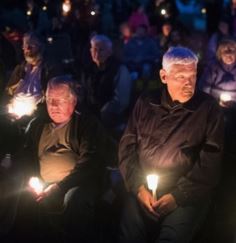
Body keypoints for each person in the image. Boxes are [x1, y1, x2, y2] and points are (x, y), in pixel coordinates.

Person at [118, 47, 224, 243]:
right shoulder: (146, 102)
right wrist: (138, 187)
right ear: (163, 76)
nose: (188, 82)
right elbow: (127, 146)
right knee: (129, 236)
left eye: (192, 75)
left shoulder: (207, 109)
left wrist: (178, 195)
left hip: (187, 193)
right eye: (180, 76)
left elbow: (211, 160)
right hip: (142, 189)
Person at [15, 75, 117, 243]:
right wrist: (31, 178)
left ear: (74, 101)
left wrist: (60, 187)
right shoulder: (37, 125)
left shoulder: (86, 124)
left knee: (75, 201)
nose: (53, 106)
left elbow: (90, 163)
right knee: (19, 196)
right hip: (43, 183)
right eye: (49, 100)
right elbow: (25, 156)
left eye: (60, 100)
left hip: (76, 183)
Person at [80, 34, 132, 135]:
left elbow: (121, 100)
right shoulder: (88, 69)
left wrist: (103, 112)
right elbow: (84, 91)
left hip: (110, 116)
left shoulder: (119, 69)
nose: (97, 53)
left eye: (101, 50)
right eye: (94, 49)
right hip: (91, 112)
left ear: (110, 52)